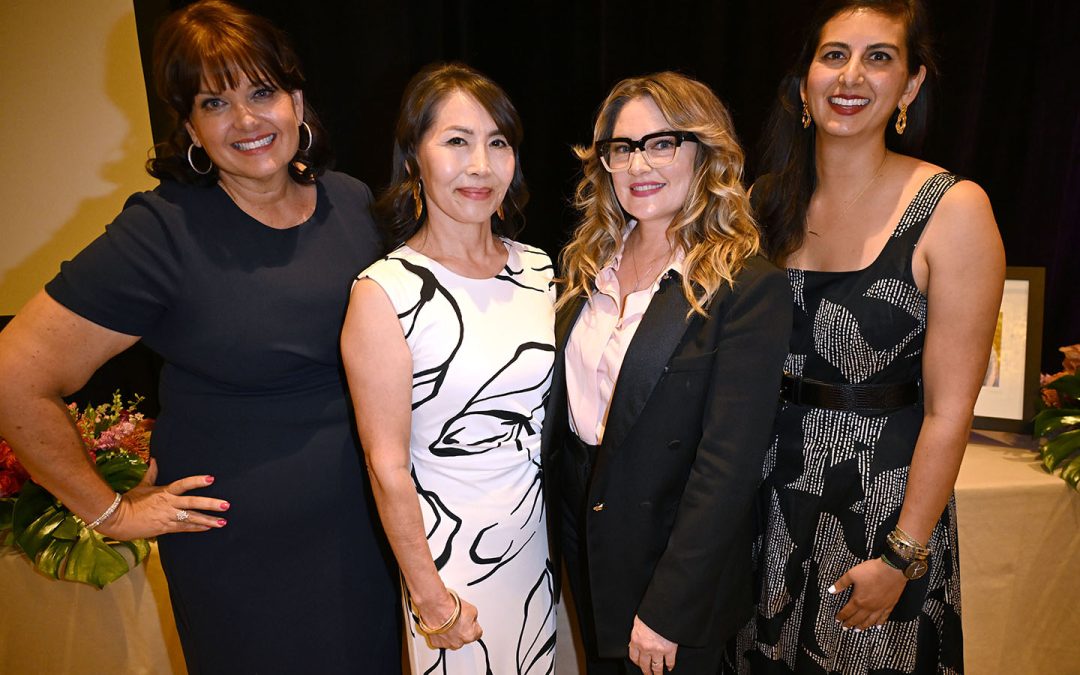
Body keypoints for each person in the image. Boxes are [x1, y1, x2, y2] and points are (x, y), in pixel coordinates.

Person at [0, 2, 400, 672]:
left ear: (297, 100)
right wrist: (111, 514)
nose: (246, 120)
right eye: (214, 102)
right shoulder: (161, 234)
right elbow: (14, 377)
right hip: (246, 564)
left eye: (262, 92)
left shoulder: (352, 203)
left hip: (368, 536)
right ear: (188, 125)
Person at [726, 1, 1005, 672]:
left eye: (879, 57)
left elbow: (949, 409)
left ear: (910, 86)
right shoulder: (759, 204)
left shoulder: (952, 208)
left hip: (880, 515)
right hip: (761, 503)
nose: (851, 76)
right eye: (833, 55)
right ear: (802, 83)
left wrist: (902, 556)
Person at [543, 71, 792, 674]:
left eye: (662, 143)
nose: (638, 165)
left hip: (672, 579)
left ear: (703, 152)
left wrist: (669, 609)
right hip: (589, 553)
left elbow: (727, 470)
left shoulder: (747, 286)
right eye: (622, 147)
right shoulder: (582, 266)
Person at [341, 63, 556, 674]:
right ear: (414, 157)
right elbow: (386, 468)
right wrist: (431, 598)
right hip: (453, 565)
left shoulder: (540, 269)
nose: (480, 166)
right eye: (456, 141)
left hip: (541, 551)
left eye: (498, 143)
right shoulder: (385, 292)